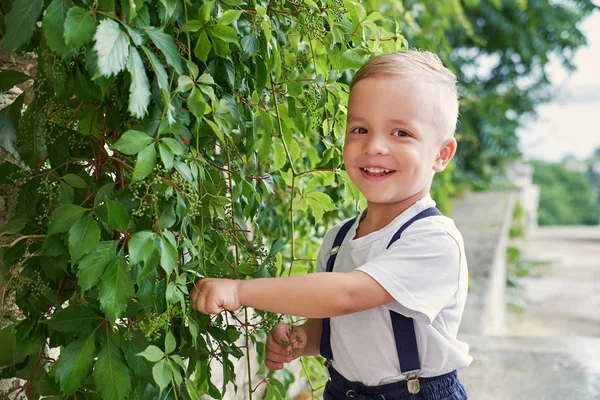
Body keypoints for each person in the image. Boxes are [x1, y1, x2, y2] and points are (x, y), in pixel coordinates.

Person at [190, 50, 472, 399]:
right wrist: (301, 339)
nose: (374, 146)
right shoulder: (339, 239)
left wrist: (239, 291)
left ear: (441, 154)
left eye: (401, 132)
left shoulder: (434, 240)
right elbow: (332, 326)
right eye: (360, 129)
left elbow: (346, 295)